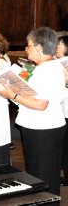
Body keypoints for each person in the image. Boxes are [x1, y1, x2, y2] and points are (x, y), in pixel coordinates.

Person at [0, 27, 65, 196]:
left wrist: (12, 94)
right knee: (40, 174)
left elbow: (41, 104)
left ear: (39, 48)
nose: (27, 49)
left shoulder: (47, 70)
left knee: (43, 176)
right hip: (41, 127)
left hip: (43, 129)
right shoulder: (46, 67)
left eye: (29, 46)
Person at [55, 35, 68, 185]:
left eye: (59, 45)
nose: (56, 47)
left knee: (65, 146)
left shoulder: (62, 63)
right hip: (63, 110)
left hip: (65, 110)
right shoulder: (58, 62)